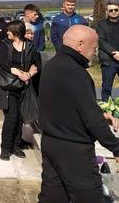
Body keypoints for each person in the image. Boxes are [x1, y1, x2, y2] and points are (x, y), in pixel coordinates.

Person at [38, 25, 119, 203]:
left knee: (53, 197)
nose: (95, 53)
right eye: (94, 48)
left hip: (51, 143)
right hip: (75, 150)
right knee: (89, 198)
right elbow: (91, 118)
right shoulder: (76, 73)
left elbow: (65, 104)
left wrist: (101, 113)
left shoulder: (52, 66)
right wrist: (115, 147)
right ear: (80, 45)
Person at [0, 20, 40, 161]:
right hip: (8, 86)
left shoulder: (30, 46)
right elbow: (4, 64)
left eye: (9, 31)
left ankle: (16, 145)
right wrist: (20, 73)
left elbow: (36, 63)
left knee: (21, 117)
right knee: (11, 117)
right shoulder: (5, 45)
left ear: (17, 33)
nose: (7, 33)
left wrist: (29, 74)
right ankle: (5, 148)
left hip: (24, 86)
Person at [96, 0, 119, 101]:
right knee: (106, 88)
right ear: (107, 11)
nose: (113, 11)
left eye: (116, 9)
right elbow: (101, 41)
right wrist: (114, 53)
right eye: (111, 10)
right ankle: (107, 111)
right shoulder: (101, 25)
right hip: (108, 61)